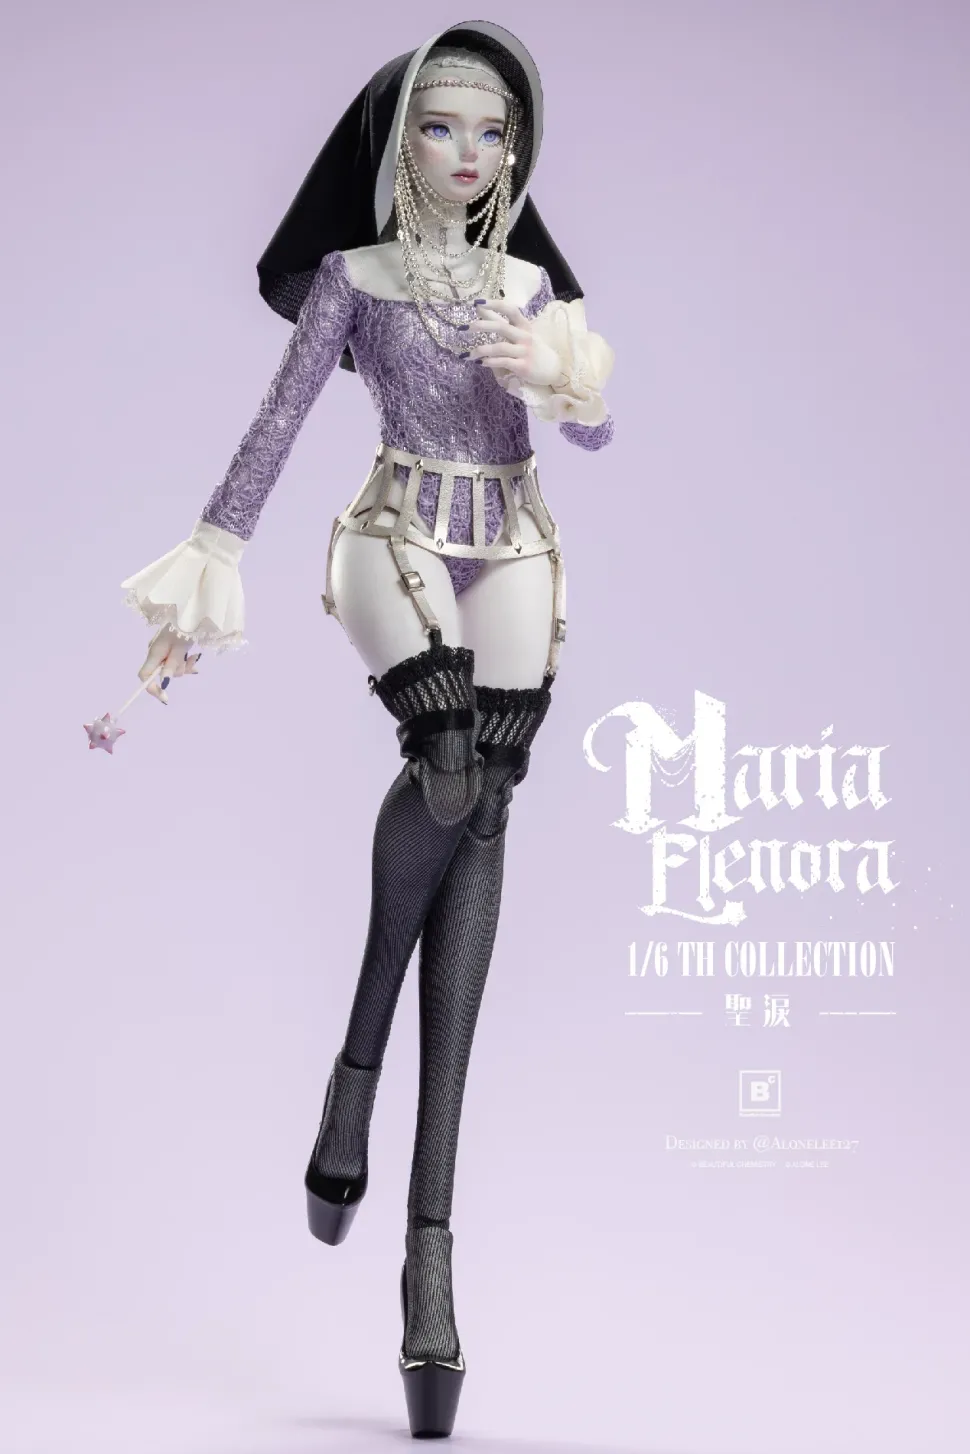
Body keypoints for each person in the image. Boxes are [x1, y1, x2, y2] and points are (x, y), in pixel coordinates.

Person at [120, 19, 614, 1439]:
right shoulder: (356, 277)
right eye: (443, 126)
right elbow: (280, 419)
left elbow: (589, 433)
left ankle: (428, 1246)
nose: (470, 152)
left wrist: (562, 377)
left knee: (488, 806)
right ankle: (357, 1062)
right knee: (445, 763)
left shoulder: (530, 286)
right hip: (393, 523)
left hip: (512, 530)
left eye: (494, 132)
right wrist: (208, 560)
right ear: (398, 140)